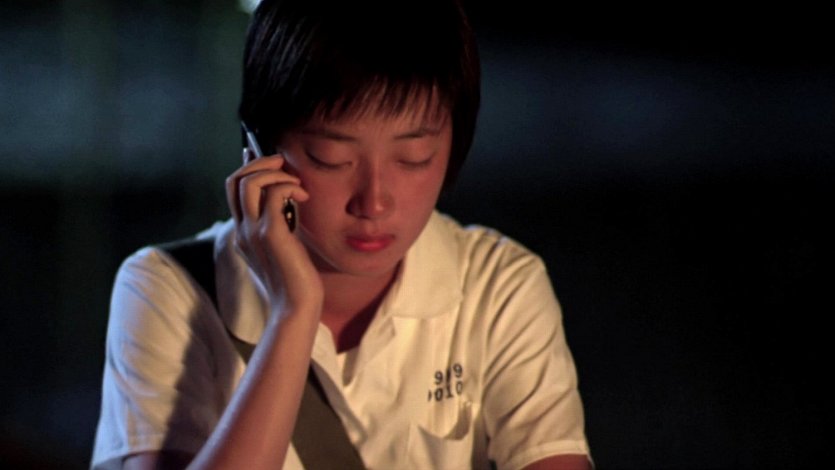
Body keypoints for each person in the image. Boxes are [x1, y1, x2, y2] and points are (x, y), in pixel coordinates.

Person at [91, 0, 592, 468]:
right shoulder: (170, 290)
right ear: (259, 150)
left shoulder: (496, 287)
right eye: (331, 159)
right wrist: (293, 313)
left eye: (413, 158)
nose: (373, 202)